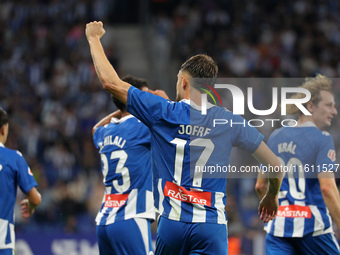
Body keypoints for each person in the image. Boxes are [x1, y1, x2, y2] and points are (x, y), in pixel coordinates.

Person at [86, 21, 283, 255]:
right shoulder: (230, 121)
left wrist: (94, 39)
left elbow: (111, 83)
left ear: (184, 81)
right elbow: (275, 165)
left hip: (172, 225)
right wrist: (271, 196)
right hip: (211, 226)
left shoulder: (163, 112)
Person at [256, 75, 340, 255]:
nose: (334, 111)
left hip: (278, 229)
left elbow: (260, 185)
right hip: (313, 228)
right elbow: (327, 188)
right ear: (310, 106)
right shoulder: (322, 138)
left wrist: (276, 208)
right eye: (329, 105)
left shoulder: (275, 136)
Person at [93, 75, 155, 255]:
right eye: (143, 97)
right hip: (131, 216)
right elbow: (170, 119)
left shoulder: (104, 132)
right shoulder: (143, 127)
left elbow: (95, 128)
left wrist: (121, 107)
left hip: (105, 221)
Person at [0, 108, 41, 255]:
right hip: (2, 239)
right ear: (4, 130)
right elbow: (36, 198)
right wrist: (31, 206)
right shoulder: (14, 158)